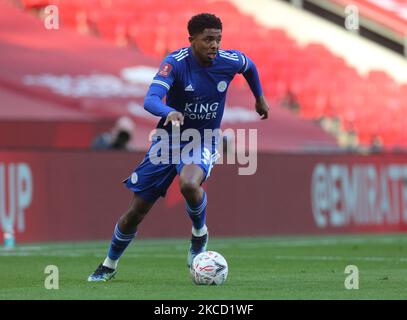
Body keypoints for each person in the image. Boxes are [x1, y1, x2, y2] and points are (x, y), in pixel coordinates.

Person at [88, 13, 269, 281]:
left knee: (188, 184)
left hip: (203, 139)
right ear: (192, 39)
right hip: (167, 142)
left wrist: (260, 98)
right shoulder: (175, 63)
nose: (214, 45)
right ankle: (109, 265)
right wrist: (169, 111)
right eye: (208, 39)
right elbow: (150, 99)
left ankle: (199, 234)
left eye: (218, 39)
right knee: (136, 211)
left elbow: (250, 66)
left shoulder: (228, 61)